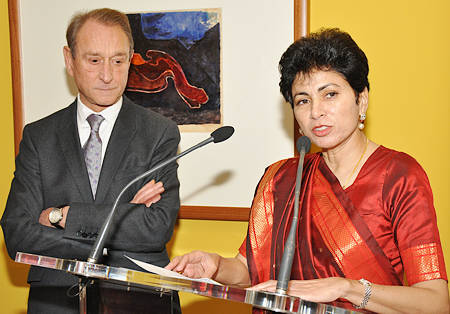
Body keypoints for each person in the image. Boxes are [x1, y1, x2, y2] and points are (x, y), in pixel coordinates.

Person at [166, 28, 449, 313]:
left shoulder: (399, 175)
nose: (316, 111)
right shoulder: (280, 178)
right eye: (303, 100)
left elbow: (435, 302)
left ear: (361, 99)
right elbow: (252, 272)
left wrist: (346, 287)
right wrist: (215, 267)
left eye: (330, 94)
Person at [1, 8, 181, 314]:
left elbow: (156, 228)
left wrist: (62, 217)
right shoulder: (38, 136)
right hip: (57, 302)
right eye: (94, 60)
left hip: (138, 300)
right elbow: (17, 233)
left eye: (119, 60)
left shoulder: (159, 132)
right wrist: (117, 228)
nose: (108, 75)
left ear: (131, 59)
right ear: (69, 61)